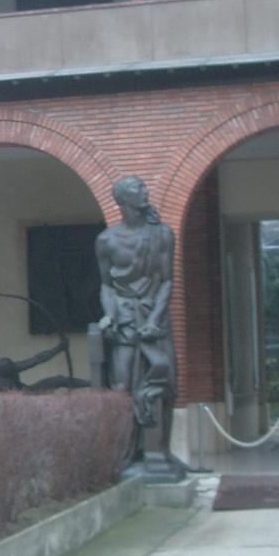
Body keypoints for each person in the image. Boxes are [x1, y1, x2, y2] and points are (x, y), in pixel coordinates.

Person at [95, 176, 178, 468]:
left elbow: (166, 281)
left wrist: (154, 319)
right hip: (124, 320)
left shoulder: (162, 234)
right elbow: (106, 285)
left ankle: (158, 452)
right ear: (123, 200)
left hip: (153, 315)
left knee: (165, 381)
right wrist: (109, 314)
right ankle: (126, 453)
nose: (145, 191)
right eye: (138, 189)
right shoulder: (106, 240)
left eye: (144, 187)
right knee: (123, 385)